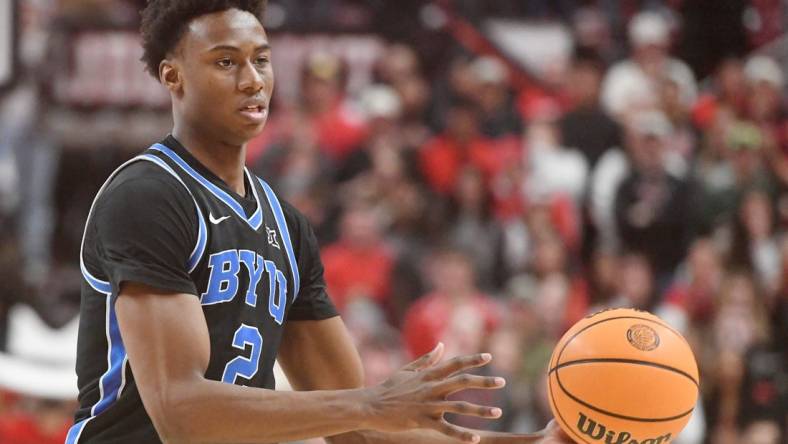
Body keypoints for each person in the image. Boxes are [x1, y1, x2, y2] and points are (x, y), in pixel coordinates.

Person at [67, 1, 571, 443]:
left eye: (261, 60)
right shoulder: (148, 196)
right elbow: (180, 413)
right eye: (225, 62)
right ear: (171, 75)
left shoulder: (287, 227)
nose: (252, 79)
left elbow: (359, 431)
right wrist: (370, 404)